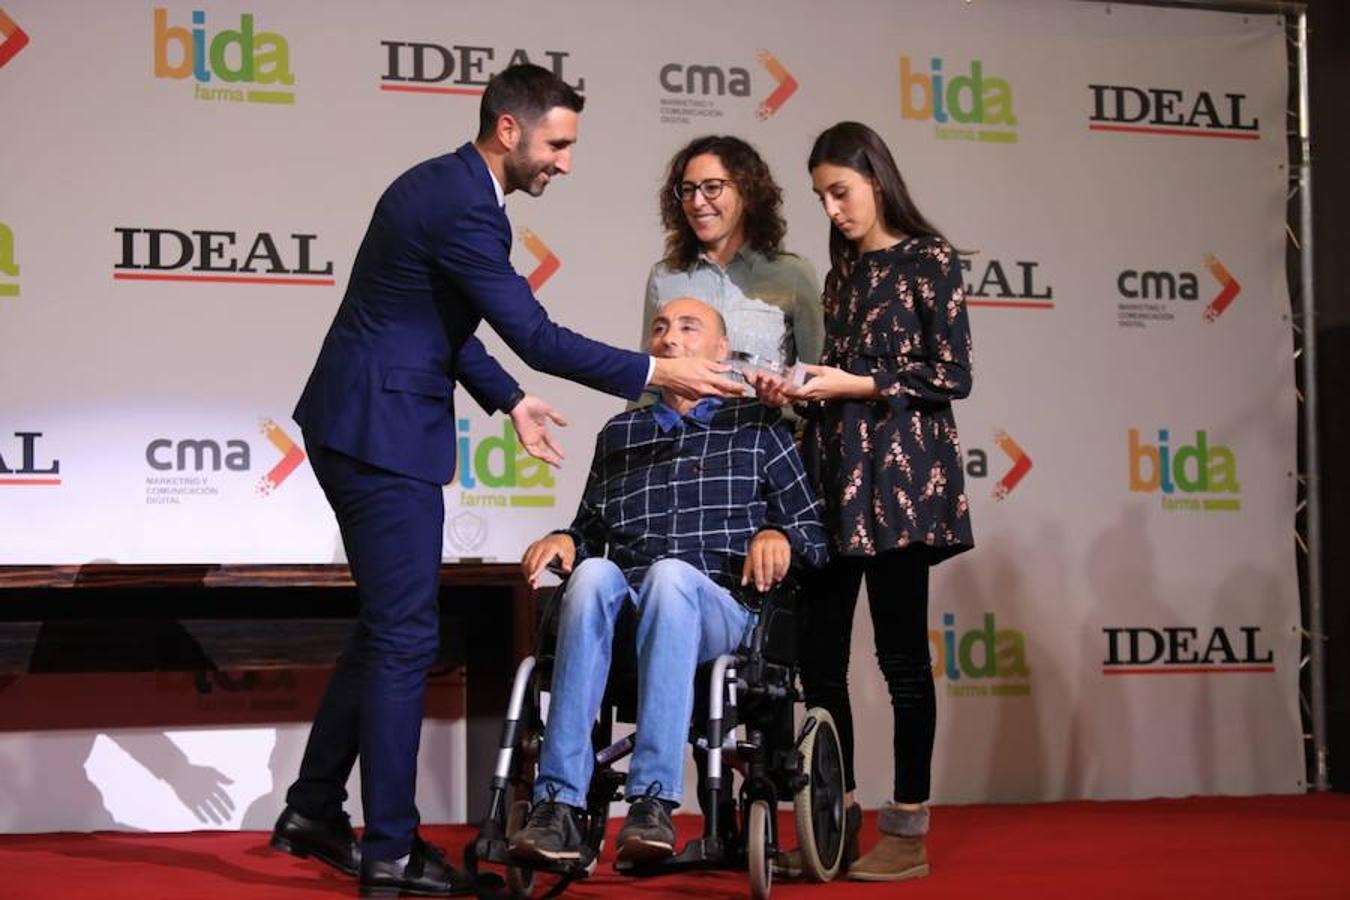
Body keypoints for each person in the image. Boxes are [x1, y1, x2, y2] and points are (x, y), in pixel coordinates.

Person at [270, 65, 742, 898]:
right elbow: (535, 333)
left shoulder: (453, 191)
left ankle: (312, 810)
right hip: (380, 433)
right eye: (559, 144)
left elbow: (439, 325)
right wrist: (657, 371)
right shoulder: (462, 205)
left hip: (366, 420)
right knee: (408, 637)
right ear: (511, 130)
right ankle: (388, 851)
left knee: (385, 627)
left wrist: (511, 400)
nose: (565, 162)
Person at [506, 297, 827, 866]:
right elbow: (589, 529)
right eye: (659, 327)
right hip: (634, 615)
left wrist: (778, 534)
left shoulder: (758, 427)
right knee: (592, 574)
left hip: (721, 614)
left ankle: (652, 799)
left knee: (671, 578)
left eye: (687, 326)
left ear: (721, 351)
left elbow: (812, 535)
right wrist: (566, 541)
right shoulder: (620, 434)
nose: (668, 336)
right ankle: (556, 805)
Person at [751, 121, 974, 882]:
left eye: (840, 192)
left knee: (902, 659)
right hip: (834, 477)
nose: (833, 209)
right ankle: (831, 823)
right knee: (820, 661)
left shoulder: (931, 259)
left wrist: (857, 383)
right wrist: (802, 385)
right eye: (821, 197)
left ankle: (907, 829)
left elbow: (951, 375)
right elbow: (840, 378)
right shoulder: (842, 270)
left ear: (875, 178)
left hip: (906, 483)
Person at [640, 135, 823, 390]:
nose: (698, 202)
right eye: (688, 190)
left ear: (747, 192)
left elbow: (817, 379)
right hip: (682, 430)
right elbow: (652, 379)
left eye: (712, 187)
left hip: (767, 427)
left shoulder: (792, 274)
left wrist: (787, 406)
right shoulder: (665, 276)